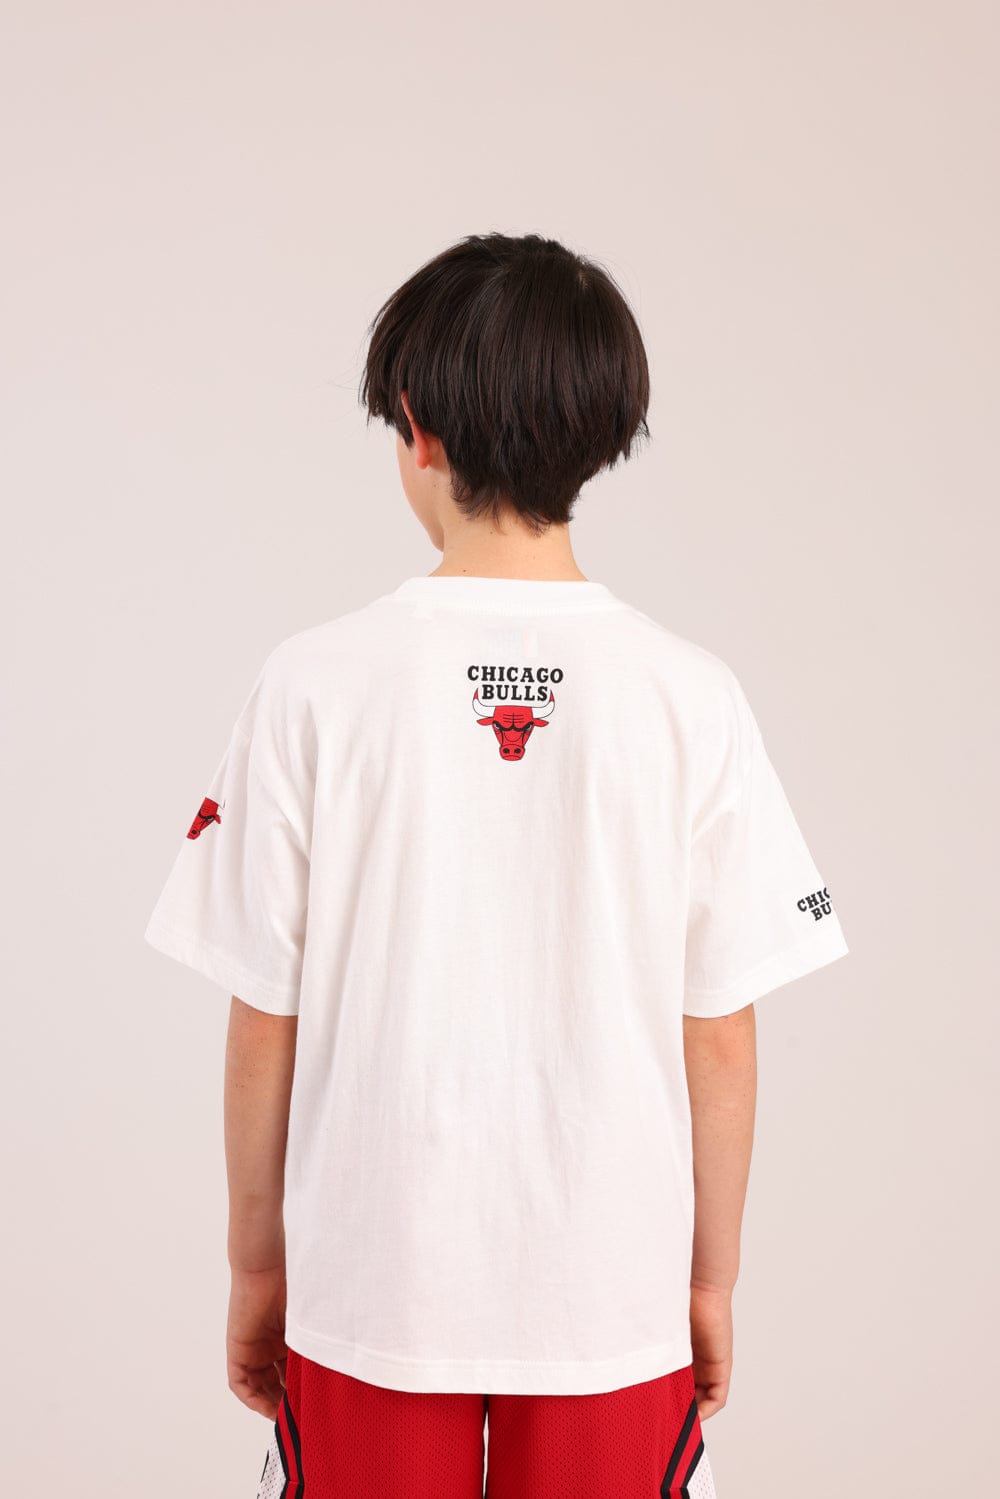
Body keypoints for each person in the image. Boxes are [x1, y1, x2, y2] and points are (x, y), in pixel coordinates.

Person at [143, 232, 849, 1499]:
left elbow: (264, 1017)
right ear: (605, 430)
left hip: (373, 1284)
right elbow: (720, 1027)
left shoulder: (313, 683)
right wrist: (709, 1276)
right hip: (608, 1291)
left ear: (413, 425)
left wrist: (255, 1263)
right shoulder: (691, 695)